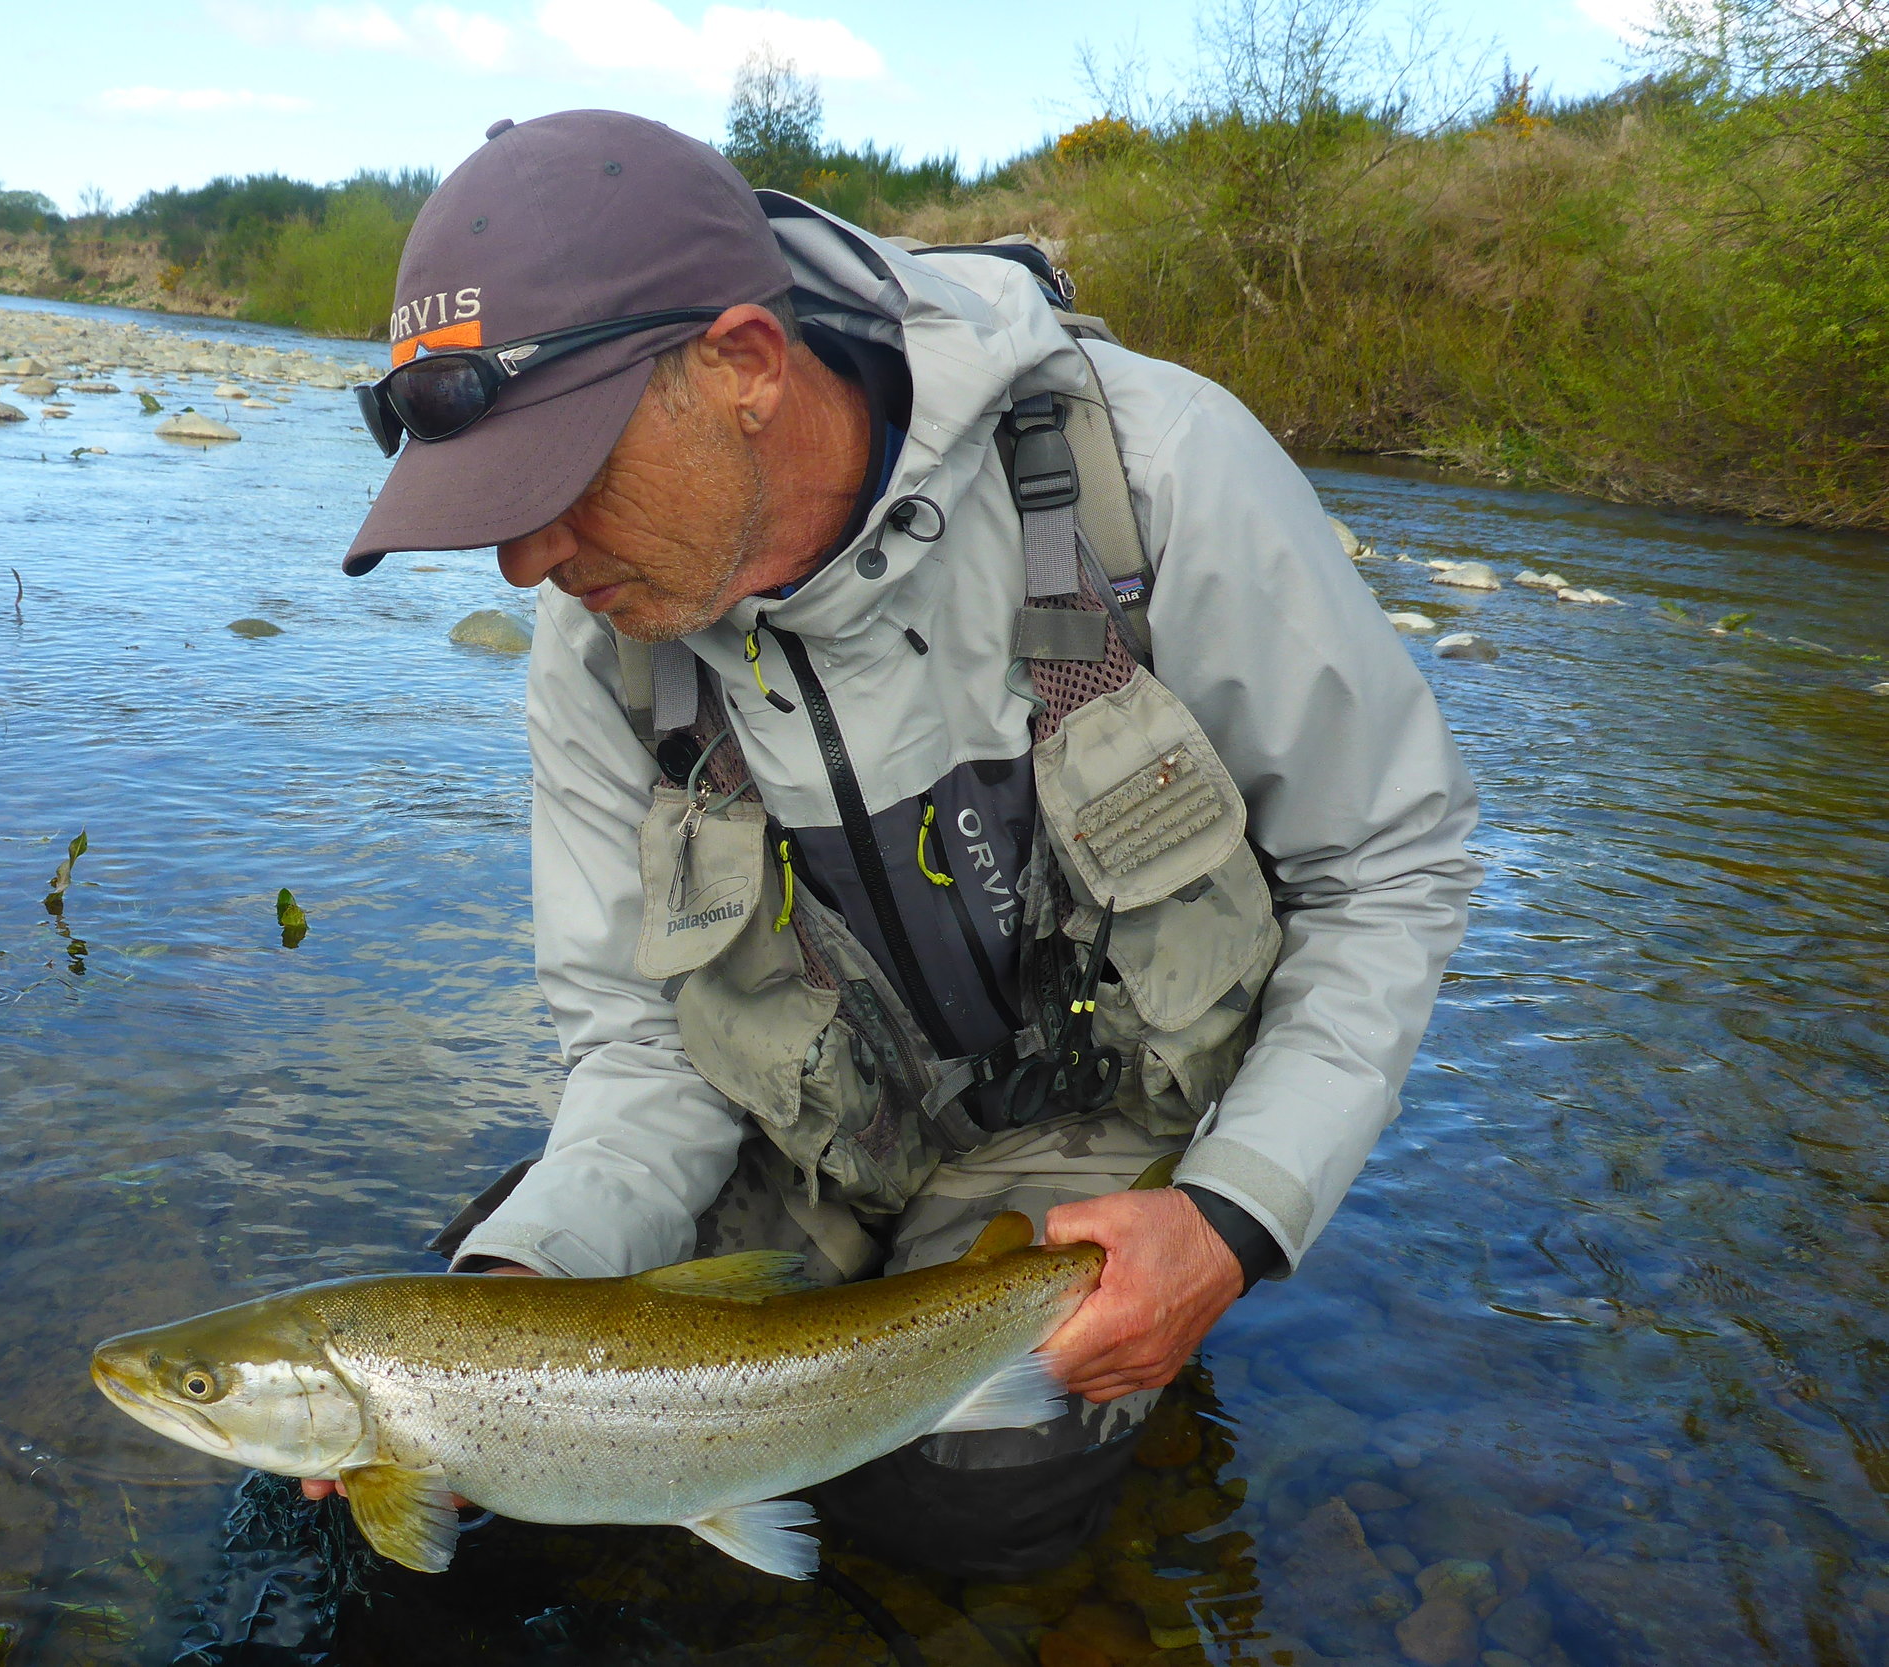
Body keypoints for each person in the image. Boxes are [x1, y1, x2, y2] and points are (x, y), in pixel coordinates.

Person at [334, 110, 1480, 1576]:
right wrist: (503, 1319)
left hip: (1085, 1142)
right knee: (479, 1306)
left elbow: (1388, 869)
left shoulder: (1156, 475)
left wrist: (1235, 1217)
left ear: (743, 364)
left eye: (556, 484)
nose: (525, 561)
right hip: (809, 1137)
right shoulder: (600, 645)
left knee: (956, 1504)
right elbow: (634, 1045)